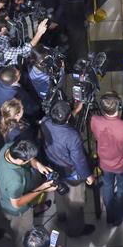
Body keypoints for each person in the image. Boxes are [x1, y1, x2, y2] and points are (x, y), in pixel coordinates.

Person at [40, 100, 96, 238]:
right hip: (70, 172)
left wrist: (76, 111)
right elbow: (79, 160)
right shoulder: (72, 136)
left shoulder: (45, 121)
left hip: (53, 167)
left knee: (59, 192)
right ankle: (75, 230)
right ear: (68, 117)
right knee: (75, 204)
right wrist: (88, 175)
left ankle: (61, 216)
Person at [0, 138, 57, 247]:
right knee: (24, 235)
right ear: (22, 161)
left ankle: (33, 211)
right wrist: (43, 189)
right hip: (18, 211)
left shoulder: (9, 148)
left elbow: (30, 159)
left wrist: (38, 165)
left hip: (15, 195)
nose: (32, 160)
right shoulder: (14, 180)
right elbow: (17, 203)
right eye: (30, 159)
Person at [89, 92, 123, 226]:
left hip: (104, 162)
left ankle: (110, 214)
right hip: (122, 164)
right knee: (122, 188)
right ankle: (119, 213)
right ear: (118, 107)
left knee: (108, 186)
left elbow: (95, 136)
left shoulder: (94, 120)